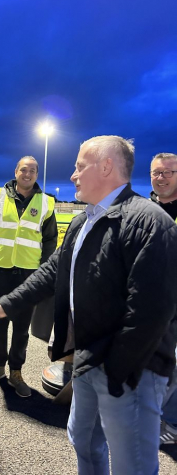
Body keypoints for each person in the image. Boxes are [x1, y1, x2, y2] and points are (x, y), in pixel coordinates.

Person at [0, 136, 177, 475]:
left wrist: (117, 372)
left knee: (132, 463)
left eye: (79, 166)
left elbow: (151, 312)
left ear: (106, 167)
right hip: (89, 360)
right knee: (83, 442)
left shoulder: (150, 222)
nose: (73, 175)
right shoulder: (81, 221)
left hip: (131, 369)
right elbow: (51, 272)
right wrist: (5, 304)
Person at [0, 156, 57, 397]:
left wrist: (43, 273)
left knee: (22, 328)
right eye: (24, 169)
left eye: (33, 170)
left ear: (36, 174)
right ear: (16, 171)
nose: (28, 174)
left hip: (28, 274)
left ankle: (16, 372)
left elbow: (50, 240)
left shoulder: (46, 203)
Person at [150, 152, 177, 444]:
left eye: (169, 172)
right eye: (157, 173)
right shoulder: (145, 210)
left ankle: (169, 420)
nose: (162, 177)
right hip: (152, 303)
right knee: (156, 363)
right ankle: (156, 417)